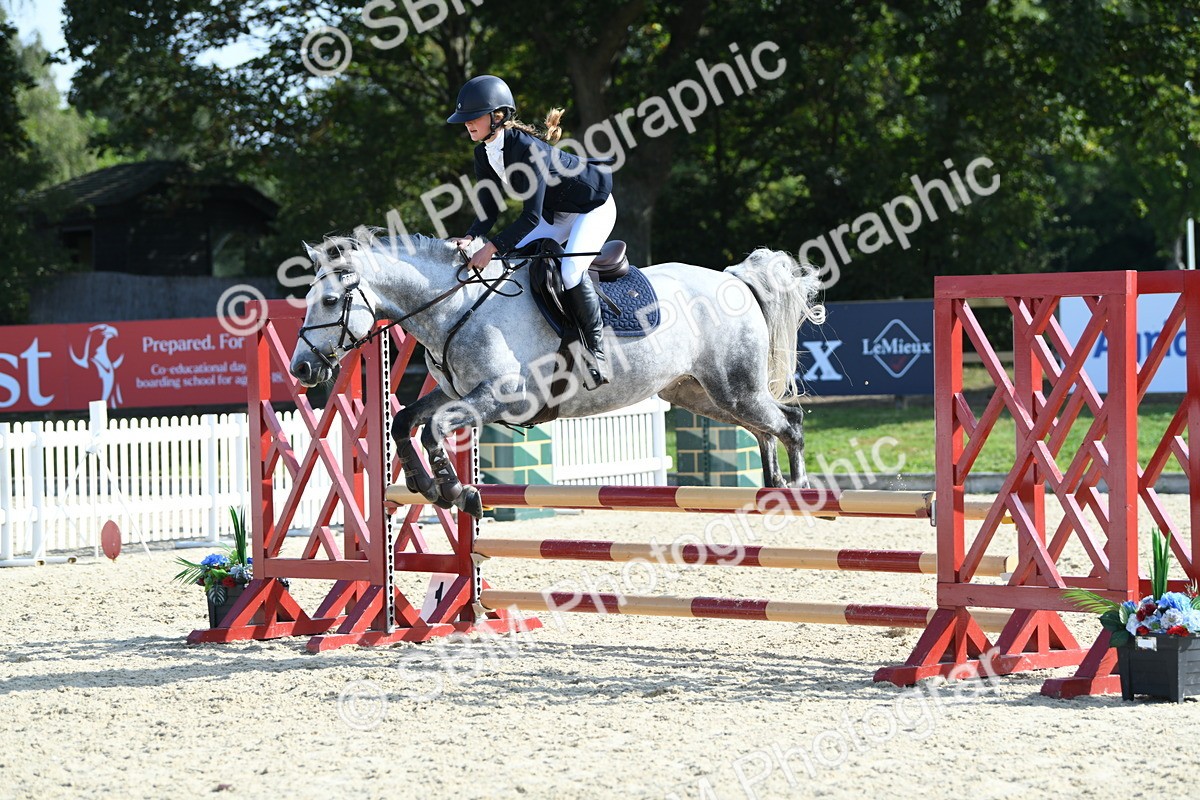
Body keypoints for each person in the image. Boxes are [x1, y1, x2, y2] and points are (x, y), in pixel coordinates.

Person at [446, 75, 616, 389]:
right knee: (512, 261)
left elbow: (531, 217)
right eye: (465, 119)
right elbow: (489, 209)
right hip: (556, 213)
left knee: (570, 271)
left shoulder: (525, 149)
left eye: (473, 118)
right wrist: (471, 237)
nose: (467, 124)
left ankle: (596, 352)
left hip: (592, 207)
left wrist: (491, 247)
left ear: (497, 117)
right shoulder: (484, 154)